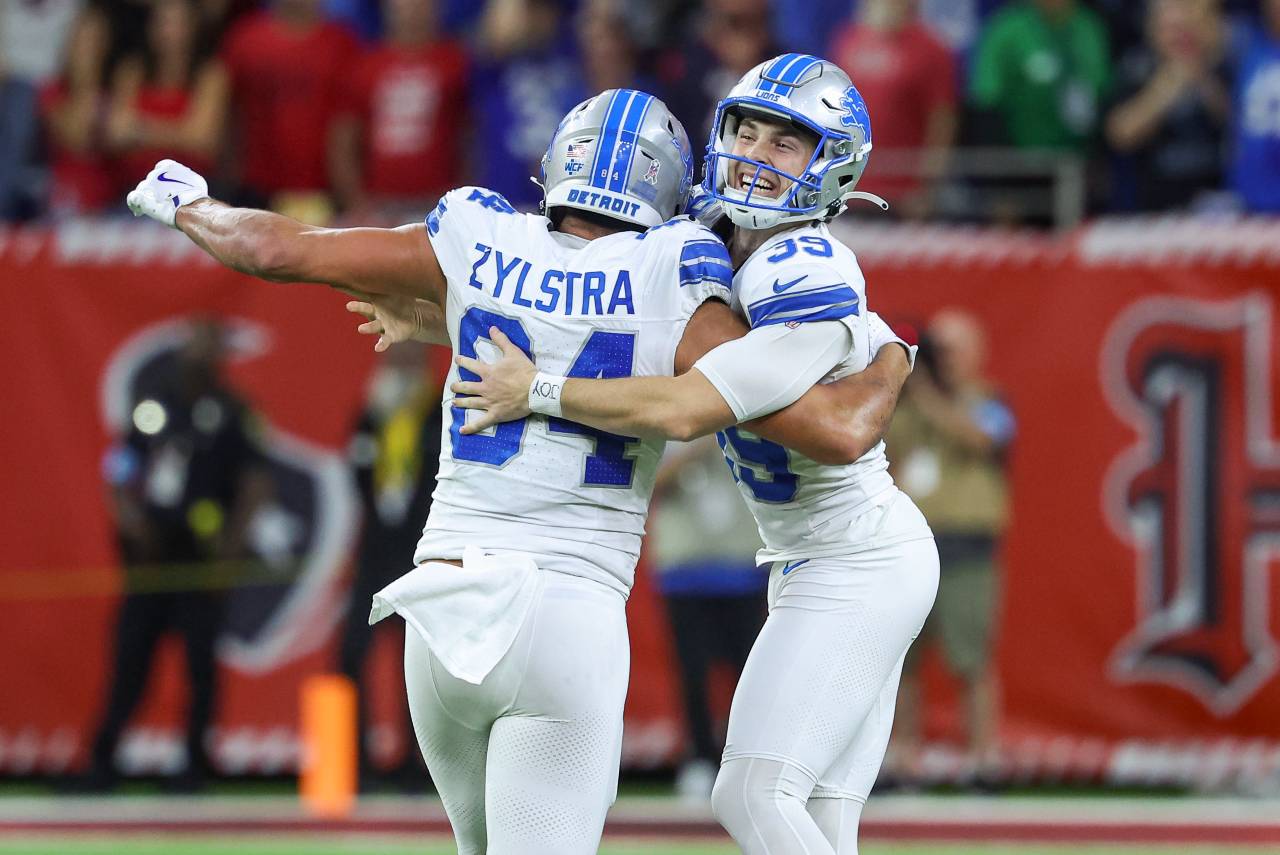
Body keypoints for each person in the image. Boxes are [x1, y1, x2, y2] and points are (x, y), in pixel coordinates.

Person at [125, 87, 909, 854]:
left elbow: (275, 248)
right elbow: (765, 410)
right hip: (568, 613)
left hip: (443, 605)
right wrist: (888, 358)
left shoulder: (478, 231)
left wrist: (185, 203)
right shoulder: (681, 263)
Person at [452, 55, 937, 855]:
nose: (754, 151)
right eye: (746, 128)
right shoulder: (708, 231)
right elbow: (583, 317)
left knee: (750, 791)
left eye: (786, 143)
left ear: (833, 161)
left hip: (859, 560)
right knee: (818, 821)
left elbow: (687, 409)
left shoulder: (801, 267)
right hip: (816, 558)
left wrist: (534, 389)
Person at [87, 318, 273, 792]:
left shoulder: (232, 413)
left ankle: (193, 763)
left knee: (199, 664)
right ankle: (101, 761)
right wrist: (129, 519)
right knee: (131, 657)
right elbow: (119, 466)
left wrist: (231, 548)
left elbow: (256, 483)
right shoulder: (154, 405)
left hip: (200, 555)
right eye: (193, 349)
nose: (198, 359)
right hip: (150, 554)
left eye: (208, 351)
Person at [887, 309, 1014, 784]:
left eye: (954, 349)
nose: (944, 359)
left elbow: (983, 439)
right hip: (914, 547)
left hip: (967, 549)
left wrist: (929, 397)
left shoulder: (990, 402)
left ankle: (984, 758)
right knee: (903, 660)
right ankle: (903, 758)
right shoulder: (907, 411)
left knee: (972, 658)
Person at [340, 344, 441, 791]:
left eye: (410, 360)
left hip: (421, 555)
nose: (401, 368)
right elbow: (357, 474)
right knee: (351, 657)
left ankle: (418, 764)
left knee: (419, 664)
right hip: (374, 556)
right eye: (393, 360)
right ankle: (356, 761)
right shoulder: (371, 414)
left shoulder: (439, 413)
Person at [1105, 0, 1229, 212]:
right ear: (1152, 29)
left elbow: (1237, 126)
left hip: (1217, 199)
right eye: (1170, 29)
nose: (1178, 38)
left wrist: (1203, 80)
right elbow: (1120, 134)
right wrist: (1164, 91)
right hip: (1156, 200)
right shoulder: (1137, 68)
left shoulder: (1218, 66)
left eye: (1185, 29)